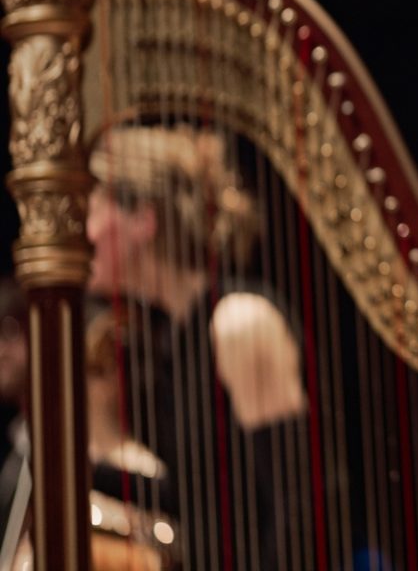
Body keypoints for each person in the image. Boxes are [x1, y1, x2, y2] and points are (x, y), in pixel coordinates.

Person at [85, 124, 306, 567]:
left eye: (93, 209)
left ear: (143, 222)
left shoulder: (239, 324)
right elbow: (203, 500)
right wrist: (79, 469)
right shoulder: (170, 344)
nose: (85, 232)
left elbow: (302, 509)